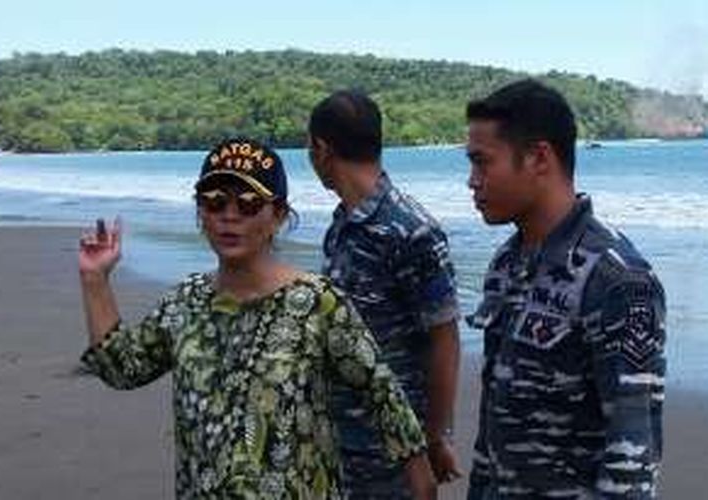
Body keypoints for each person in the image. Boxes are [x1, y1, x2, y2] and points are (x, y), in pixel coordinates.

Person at [78, 137, 438, 499]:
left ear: (278, 215)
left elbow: (383, 394)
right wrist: (95, 280)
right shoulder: (186, 302)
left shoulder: (317, 303)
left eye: (248, 204)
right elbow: (121, 367)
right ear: (200, 212)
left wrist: (421, 477)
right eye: (215, 202)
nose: (229, 216)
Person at [464, 79, 666, 499]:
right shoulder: (507, 263)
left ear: (539, 158)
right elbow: (493, 427)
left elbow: (631, 462)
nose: (472, 181)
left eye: (483, 163)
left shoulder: (616, 281)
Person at [307, 91, 462, 497]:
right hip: (341, 442)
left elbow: (444, 338)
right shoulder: (342, 225)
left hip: (395, 453)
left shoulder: (411, 230)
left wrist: (437, 436)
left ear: (321, 150)